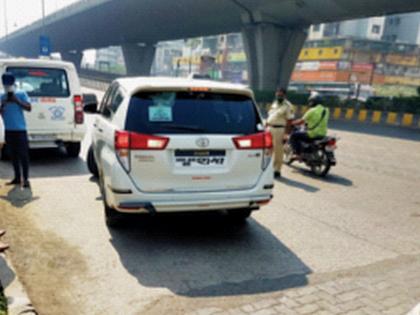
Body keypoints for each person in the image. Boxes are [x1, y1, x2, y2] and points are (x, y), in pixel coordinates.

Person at [0, 72, 32, 188]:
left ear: (13, 83)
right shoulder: (1, 96)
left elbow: (29, 108)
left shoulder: (21, 93)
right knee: (12, 155)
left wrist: (16, 101)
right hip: (8, 130)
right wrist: (2, 105)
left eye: (9, 85)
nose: (7, 87)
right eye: (5, 85)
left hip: (20, 130)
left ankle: (26, 179)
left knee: (23, 155)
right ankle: (17, 178)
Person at [266, 88, 295, 178]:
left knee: (278, 151)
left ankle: (277, 170)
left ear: (285, 95)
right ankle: (268, 168)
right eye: (278, 94)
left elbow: (290, 121)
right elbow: (270, 116)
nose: (279, 96)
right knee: (268, 150)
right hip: (269, 128)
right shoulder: (274, 103)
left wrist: (286, 135)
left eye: (281, 95)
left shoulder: (288, 106)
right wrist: (265, 126)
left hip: (279, 130)